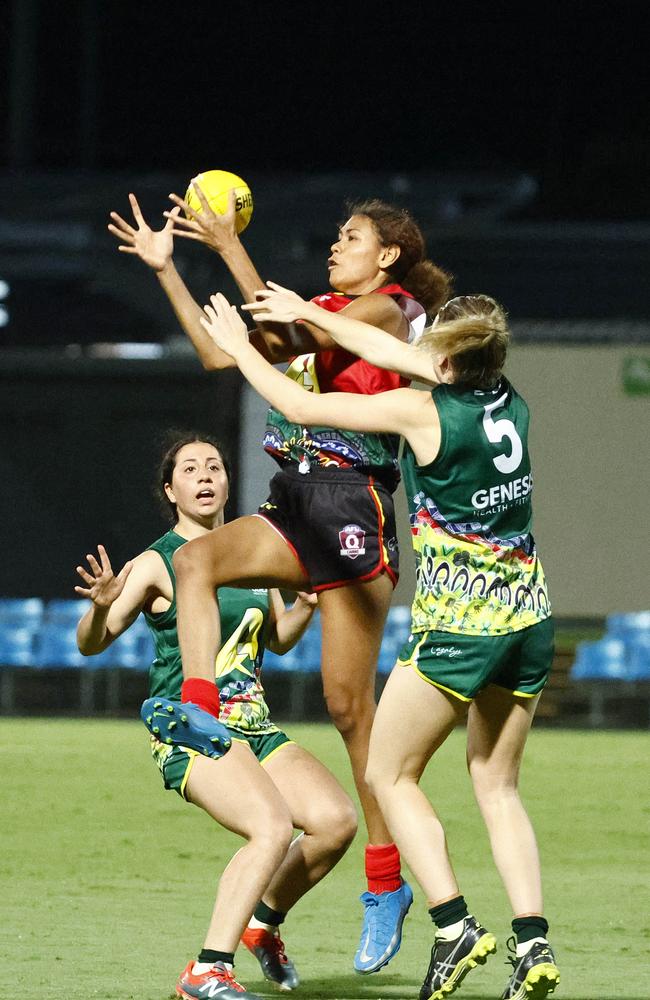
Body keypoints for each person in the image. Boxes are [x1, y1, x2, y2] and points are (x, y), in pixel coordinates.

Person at [108, 190, 452, 973]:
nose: (337, 244)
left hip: (353, 500)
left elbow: (293, 332)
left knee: (349, 708)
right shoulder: (323, 305)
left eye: (351, 235)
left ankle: (385, 882)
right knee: (193, 561)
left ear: (388, 256)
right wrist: (171, 269)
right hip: (293, 497)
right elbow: (221, 350)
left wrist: (231, 249)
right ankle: (198, 709)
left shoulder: (391, 312)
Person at [201, 286, 561, 1000]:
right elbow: (386, 349)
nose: (415, 356)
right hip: (530, 612)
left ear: (447, 364)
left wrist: (243, 349)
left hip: (463, 623)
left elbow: (304, 408)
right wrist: (309, 314)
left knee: (388, 776)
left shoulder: (422, 410)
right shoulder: (507, 397)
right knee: (496, 783)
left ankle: (454, 925)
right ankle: (533, 943)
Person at [75, 432, 357, 1000]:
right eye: (190, 470)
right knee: (272, 827)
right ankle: (205, 971)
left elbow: (275, 641)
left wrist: (304, 604)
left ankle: (262, 922)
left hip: (256, 729)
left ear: (228, 482)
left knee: (335, 822)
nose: (205, 477)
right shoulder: (158, 561)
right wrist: (101, 606)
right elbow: (91, 644)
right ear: (171, 490)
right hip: (193, 731)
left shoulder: (249, 552)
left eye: (215, 467)